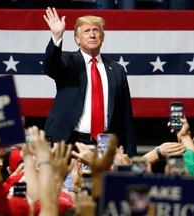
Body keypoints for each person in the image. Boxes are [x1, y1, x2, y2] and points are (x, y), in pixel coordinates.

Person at [42, 7, 136, 156]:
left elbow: (126, 115)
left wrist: (130, 154)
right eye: (86, 31)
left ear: (102, 37)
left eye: (96, 30)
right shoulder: (66, 61)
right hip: (68, 141)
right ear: (77, 39)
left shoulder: (117, 70)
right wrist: (57, 36)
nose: (92, 35)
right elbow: (49, 66)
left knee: (101, 180)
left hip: (104, 143)